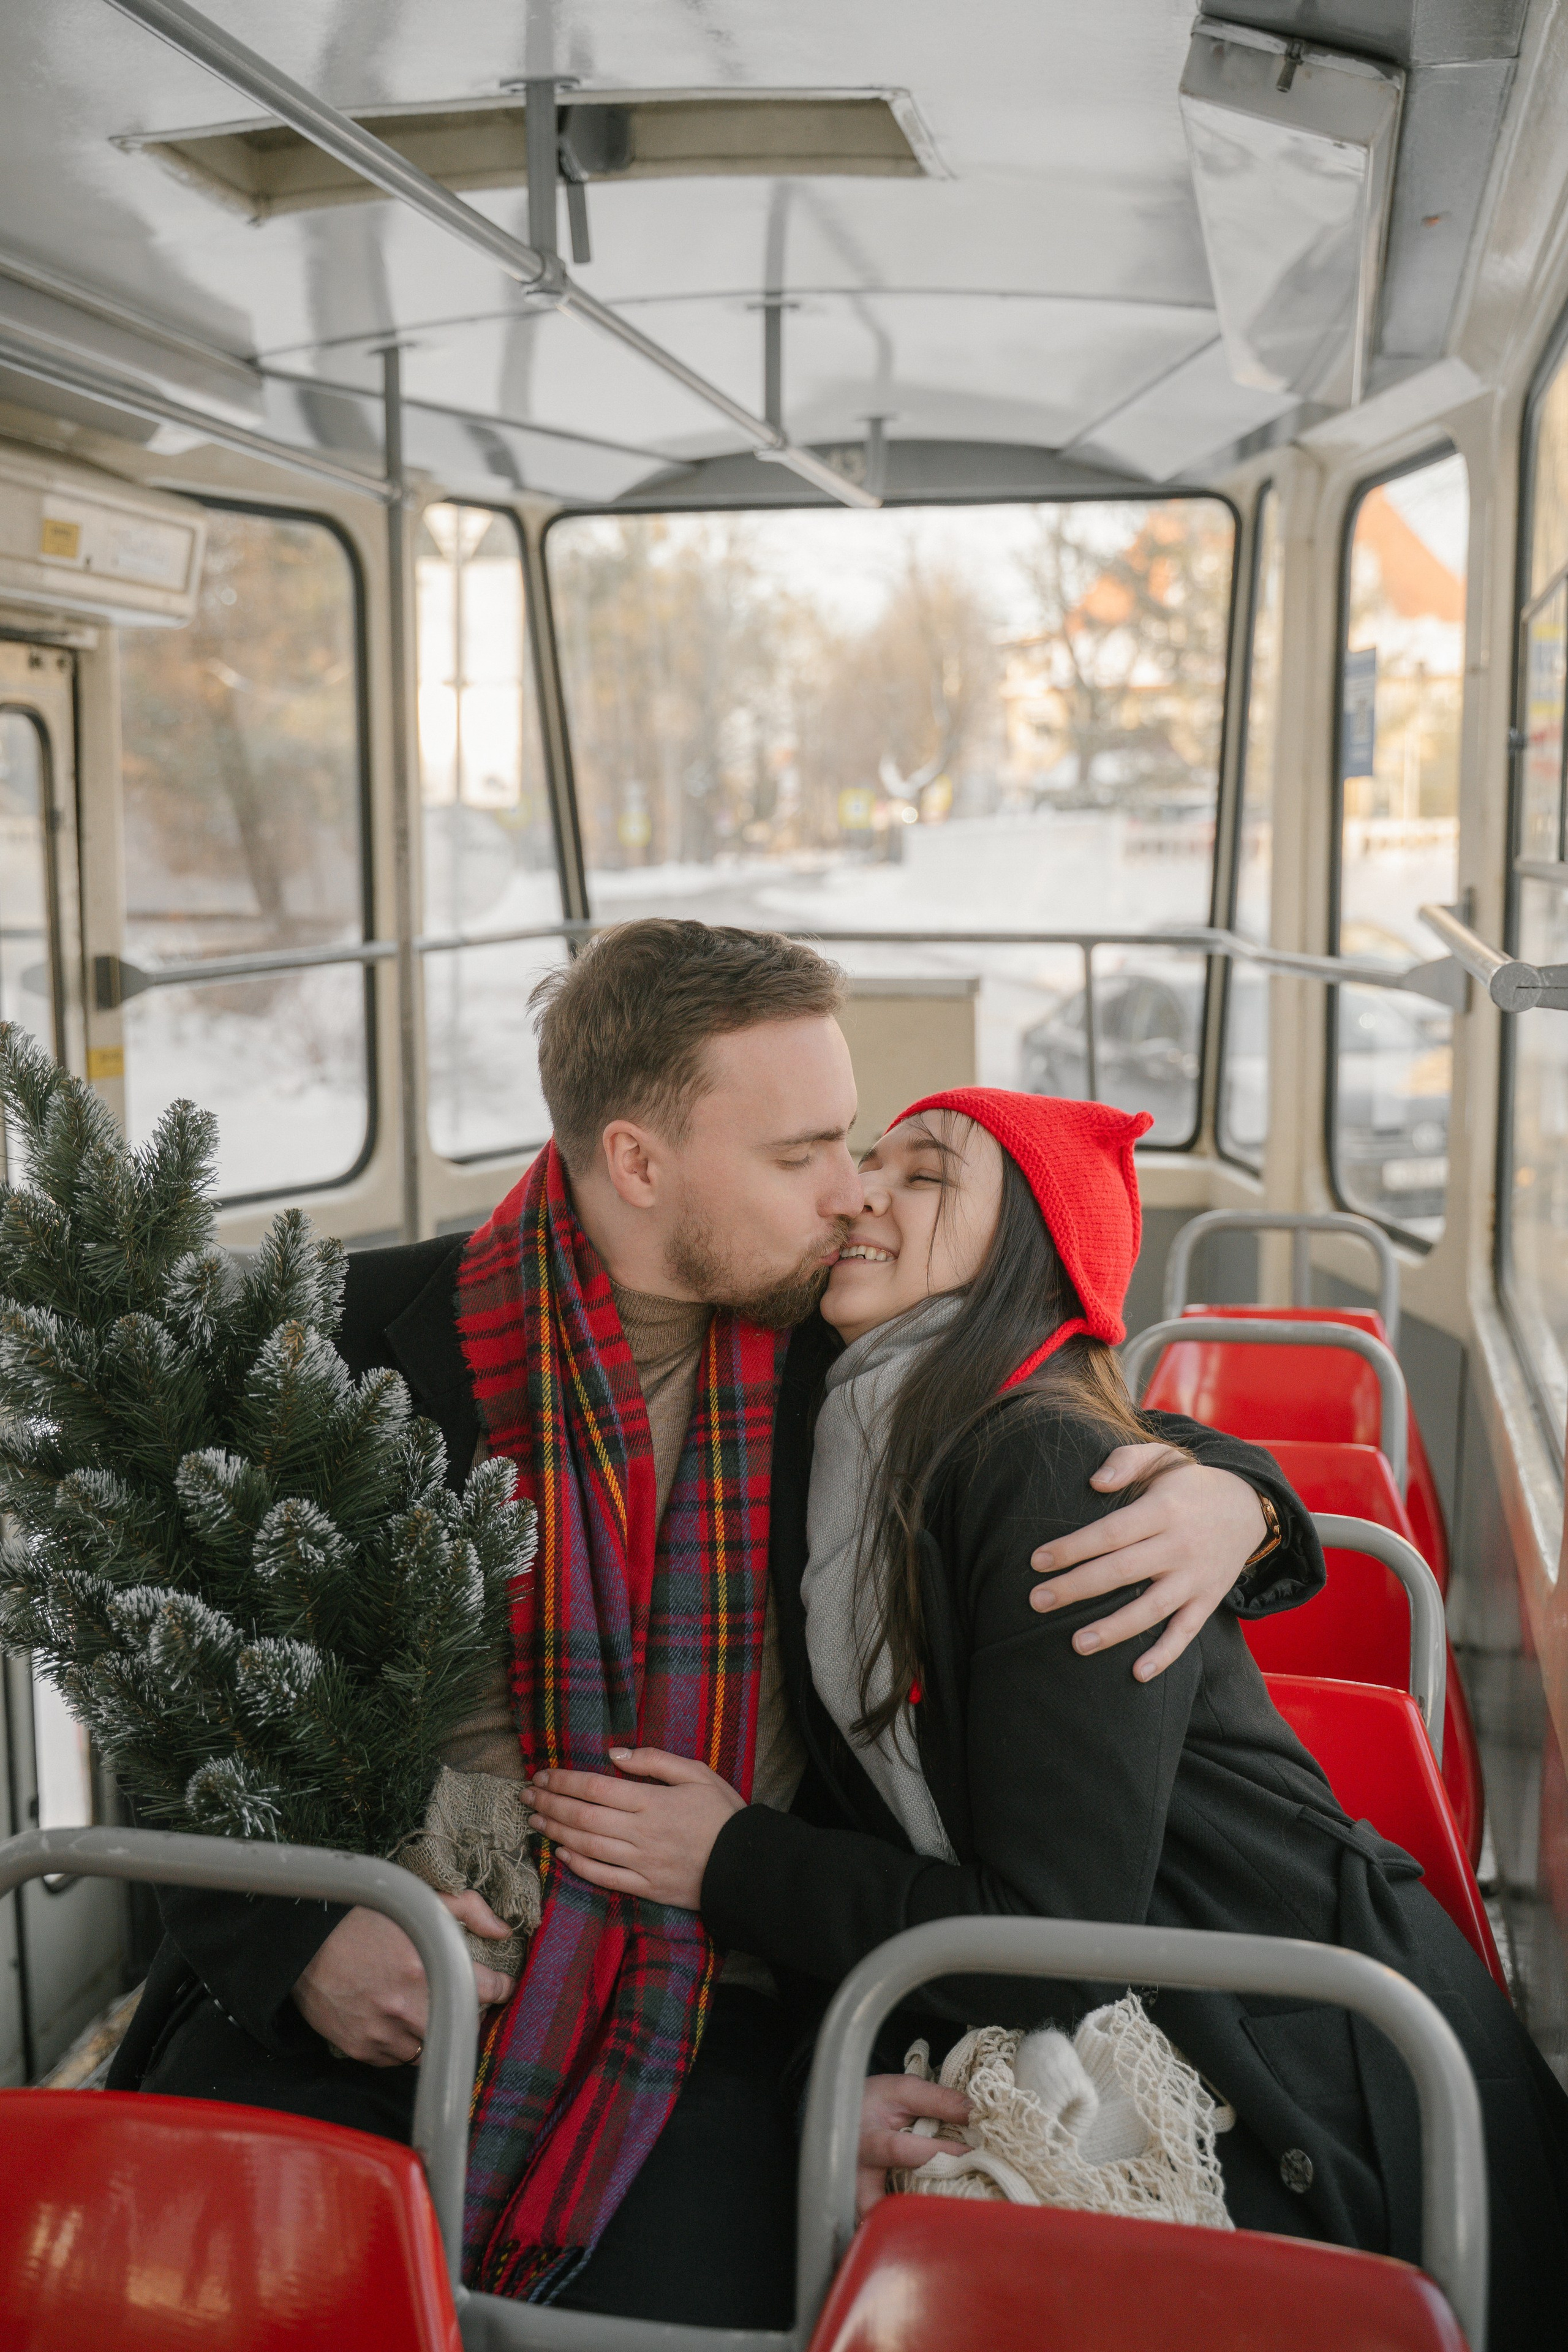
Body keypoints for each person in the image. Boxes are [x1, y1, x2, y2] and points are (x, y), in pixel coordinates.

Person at [111, 923, 1325, 2322]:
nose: (849, 1194)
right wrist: (299, 1940)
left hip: (722, 2000)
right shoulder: (344, 1337)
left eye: (852, 1142)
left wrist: (1242, 1499)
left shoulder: (854, 1350)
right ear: (637, 1162)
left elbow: (1076, 1415)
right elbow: (162, 1672)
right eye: (799, 1154)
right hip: (383, 1959)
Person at [525, 1087, 1568, 2351]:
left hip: (1274, 2028)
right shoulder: (854, 1413)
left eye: (923, 1177)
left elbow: (1054, 1942)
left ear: (1021, 1250)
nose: (862, 1190)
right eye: (866, 1157)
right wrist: (1243, 1490)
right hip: (1125, 1980)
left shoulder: (1036, 1464)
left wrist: (726, 1859)